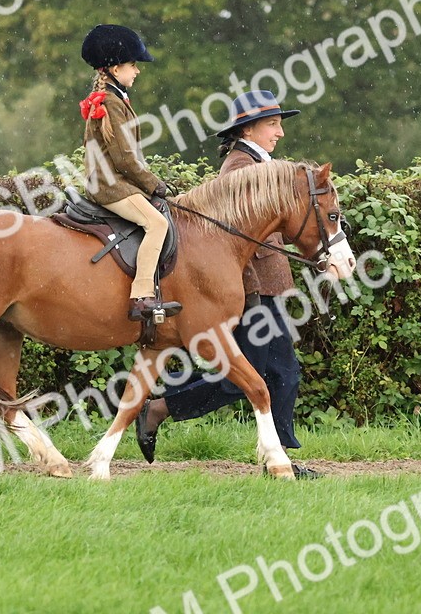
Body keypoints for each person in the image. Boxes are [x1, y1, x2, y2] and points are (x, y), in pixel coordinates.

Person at [135, 89, 321, 479]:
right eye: (272, 124)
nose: (279, 133)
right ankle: (160, 409)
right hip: (254, 291)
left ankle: (280, 454)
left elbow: (271, 227)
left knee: (282, 373)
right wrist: (247, 293)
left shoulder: (259, 163)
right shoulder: (240, 168)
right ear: (249, 128)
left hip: (268, 288)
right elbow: (235, 240)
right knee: (246, 378)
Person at [79, 24, 181, 322]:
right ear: (115, 67)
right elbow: (124, 159)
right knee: (157, 224)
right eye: (133, 65)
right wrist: (155, 184)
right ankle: (141, 296)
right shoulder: (110, 102)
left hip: (116, 182)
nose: (137, 71)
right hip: (111, 186)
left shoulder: (114, 98)